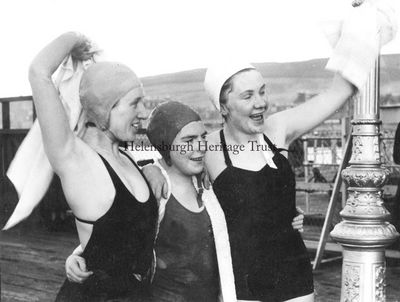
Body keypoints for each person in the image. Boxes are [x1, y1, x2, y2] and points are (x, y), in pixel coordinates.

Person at [202, 61, 355, 302]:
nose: (261, 102)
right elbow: (169, 175)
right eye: (248, 96)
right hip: (244, 283)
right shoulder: (208, 148)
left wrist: (358, 39)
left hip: (294, 276)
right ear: (223, 106)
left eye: (262, 91)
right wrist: (151, 170)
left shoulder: (277, 130)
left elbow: (339, 91)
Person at [29, 32, 158, 301]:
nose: (144, 112)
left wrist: (154, 167)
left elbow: (119, 235)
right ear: (104, 108)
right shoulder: (74, 158)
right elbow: (39, 71)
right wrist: (76, 38)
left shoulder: (129, 158)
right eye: (135, 103)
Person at [66, 101, 238, 302]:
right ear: (165, 144)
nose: (200, 146)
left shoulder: (209, 185)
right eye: (188, 140)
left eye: (202, 137)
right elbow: (115, 232)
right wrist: (78, 255)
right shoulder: (154, 190)